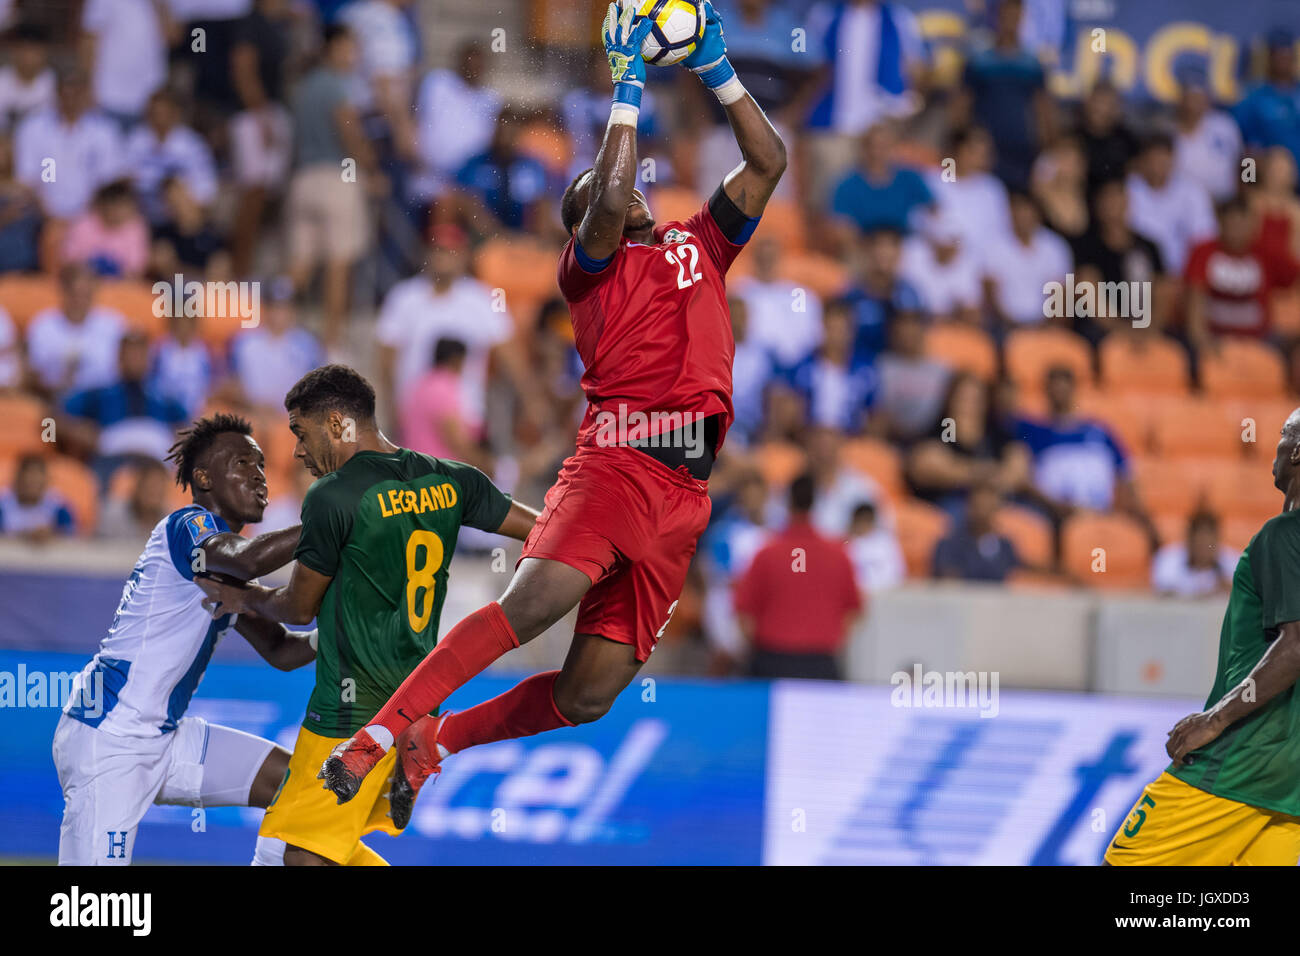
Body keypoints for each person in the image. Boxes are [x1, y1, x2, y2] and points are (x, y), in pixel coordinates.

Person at [313, 0, 786, 822]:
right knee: (527, 608)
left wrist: (717, 69)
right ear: (579, 225)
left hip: (685, 499)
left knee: (589, 695)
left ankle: (439, 741)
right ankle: (377, 738)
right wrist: (627, 84)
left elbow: (768, 160)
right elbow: (606, 196)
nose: (625, 192)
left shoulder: (697, 242)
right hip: (616, 469)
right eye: (598, 193)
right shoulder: (589, 271)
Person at [194, 365, 541, 864]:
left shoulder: (334, 496)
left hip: (349, 714)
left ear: (336, 425)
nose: (296, 450)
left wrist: (243, 598)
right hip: (414, 707)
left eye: (300, 431)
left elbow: (298, 607)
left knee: (300, 856)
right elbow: (543, 531)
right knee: (295, 846)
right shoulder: (452, 479)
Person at [52, 413, 311, 865]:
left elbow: (282, 650)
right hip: (111, 737)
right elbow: (248, 561)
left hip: (165, 739)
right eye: (242, 462)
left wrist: (338, 638)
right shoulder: (186, 525)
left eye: (262, 465)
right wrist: (331, 519)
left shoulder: (224, 572)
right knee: (89, 911)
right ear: (203, 477)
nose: (258, 473)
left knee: (296, 785)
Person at [1107, 409, 1300, 865]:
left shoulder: (1283, 534)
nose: (1273, 447)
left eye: (1282, 436)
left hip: (1243, 758)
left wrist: (1214, 719)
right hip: (1290, 778)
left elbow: (1295, 646)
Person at [733, 473, 861, 679]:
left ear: (788, 503)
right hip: (821, 662)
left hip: (772, 661)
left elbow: (744, 613)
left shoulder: (767, 553)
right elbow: (853, 612)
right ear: (816, 503)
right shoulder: (838, 554)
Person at [931, 480, 1020, 582]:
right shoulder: (948, 545)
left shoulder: (1006, 546)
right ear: (968, 506)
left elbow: (1012, 576)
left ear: (996, 508)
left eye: (988, 506)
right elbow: (948, 581)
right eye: (978, 505)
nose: (982, 512)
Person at [1151, 511, 1239, 598]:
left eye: (1208, 544)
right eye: (1199, 543)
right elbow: (1165, 592)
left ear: (1216, 541)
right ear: (1189, 540)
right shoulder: (1167, 558)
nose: (1203, 549)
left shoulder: (1234, 562)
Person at [0, 454, 76, 541]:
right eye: (28, 480)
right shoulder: (3, 505)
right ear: (17, 479)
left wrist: (52, 533)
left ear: (46, 481)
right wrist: (27, 535)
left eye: (36, 481)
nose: (32, 484)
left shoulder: (60, 507)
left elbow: (71, 536)